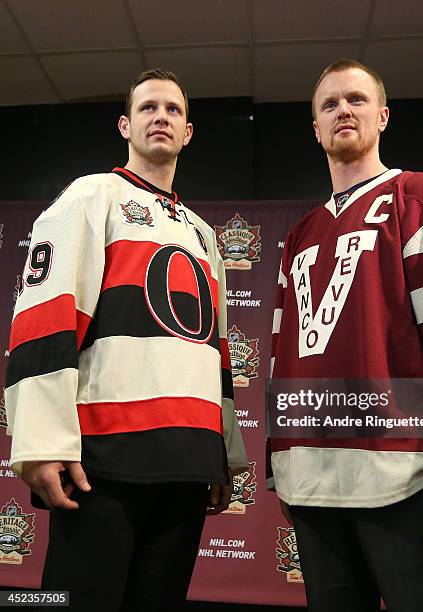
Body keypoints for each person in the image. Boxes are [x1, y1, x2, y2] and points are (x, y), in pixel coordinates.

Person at [268, 59, 423, 612]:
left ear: (382, 115)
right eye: (328, 104)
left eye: (356, 99)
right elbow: (285, 357)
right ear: (315, 129)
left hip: (409, 483)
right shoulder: (299, 235)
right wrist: (284, 464)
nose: (343, 110)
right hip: (314, 487)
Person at [5, 68, 247, 611]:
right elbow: (45, 320)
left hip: (187, 464)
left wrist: (222, 452)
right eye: (147, 108)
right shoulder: (91, 196)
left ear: (188, 132)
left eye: (173, 110)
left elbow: (217, 353)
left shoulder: (203, 234)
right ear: (125, 125)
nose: (160, 117)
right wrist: (43, 443)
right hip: (104, 465)